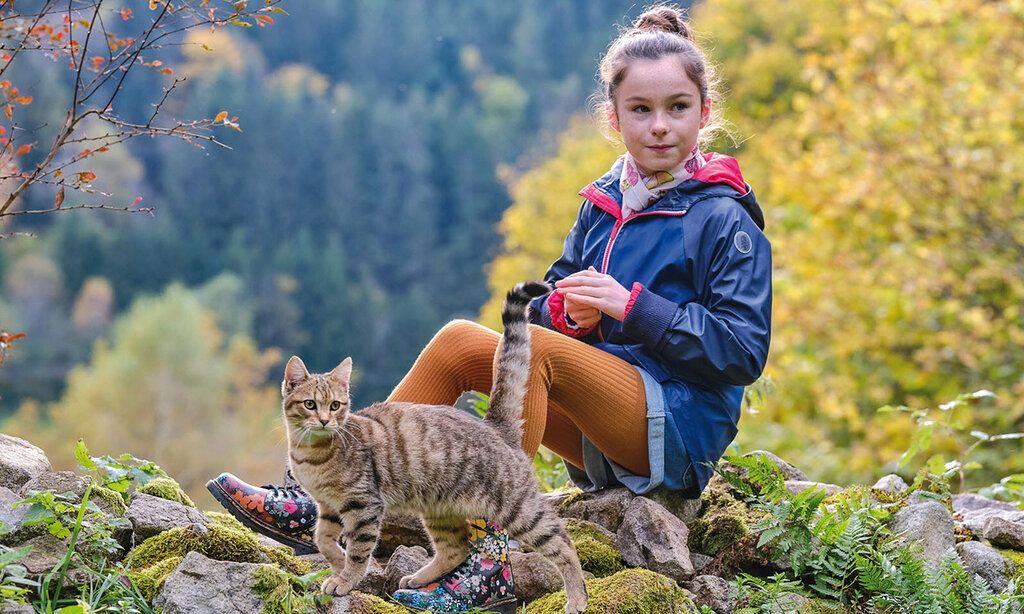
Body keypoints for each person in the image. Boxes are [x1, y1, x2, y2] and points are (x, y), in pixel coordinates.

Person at [207, 4, 771, 611]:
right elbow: (548, 303)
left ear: (705, 112)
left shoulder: (723, 216)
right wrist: (570, 314)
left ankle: (492, 562)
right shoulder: (605, 201)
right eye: (640, 110)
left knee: (542, 355)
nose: (660, 126)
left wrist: (632, 308)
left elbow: (741, 352)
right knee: (460, 341)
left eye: (677, 108)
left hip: (676, 430)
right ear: (613, 118)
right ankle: (321, 491)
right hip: (595, 427)